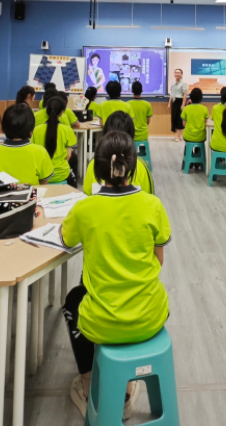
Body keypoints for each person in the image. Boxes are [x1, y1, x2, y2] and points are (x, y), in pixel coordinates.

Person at [61, 131, 171, 419]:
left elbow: (65, 238)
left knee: (73, 300)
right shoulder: (152, 205)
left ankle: (89, 386)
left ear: (96, 169)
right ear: (133, 168)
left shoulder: (85, 209)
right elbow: (158, 260)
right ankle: (127, 389)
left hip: (103, 322)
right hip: (150, 315)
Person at [83, 112, 154, 195]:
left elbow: (87, 194)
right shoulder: (141, 166)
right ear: (131, 136)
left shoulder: (94, 163)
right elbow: (149, 195)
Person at [0, 104, 54, 185]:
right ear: (31, 128)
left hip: (2, 193)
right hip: (31, 193)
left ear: (4, 127)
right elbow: (43, 185)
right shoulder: (40, 152)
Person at [34, 96, 78, 185]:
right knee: (74, 184)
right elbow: (69, 156)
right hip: (62, 174)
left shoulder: (37, 130)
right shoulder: (67, 130)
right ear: (62, 112)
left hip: (41, 175)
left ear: (47, 111)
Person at [180, 88, 209, 169]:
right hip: (201, 136)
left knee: (189, 144)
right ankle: (197, 161)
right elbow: (206, 123)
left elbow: (183, 124)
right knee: (198, 143)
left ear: (191, 98)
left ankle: (190, 160)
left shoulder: (186, 108)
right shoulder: (204, 109)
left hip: (188, 136)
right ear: (201, 98)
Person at [169, 68, 189, 141]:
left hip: (180, 101)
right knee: (174, 118)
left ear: (181, 74)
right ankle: (177, 136)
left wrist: (183, 105)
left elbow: (185, 95)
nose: (177, 74)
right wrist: (169, 103)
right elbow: (172, 93)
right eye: (176, 73)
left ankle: (178, 136)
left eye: (178, 73)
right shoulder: (173, 83)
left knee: (179, 119)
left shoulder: (184, 83)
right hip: (174, 102)